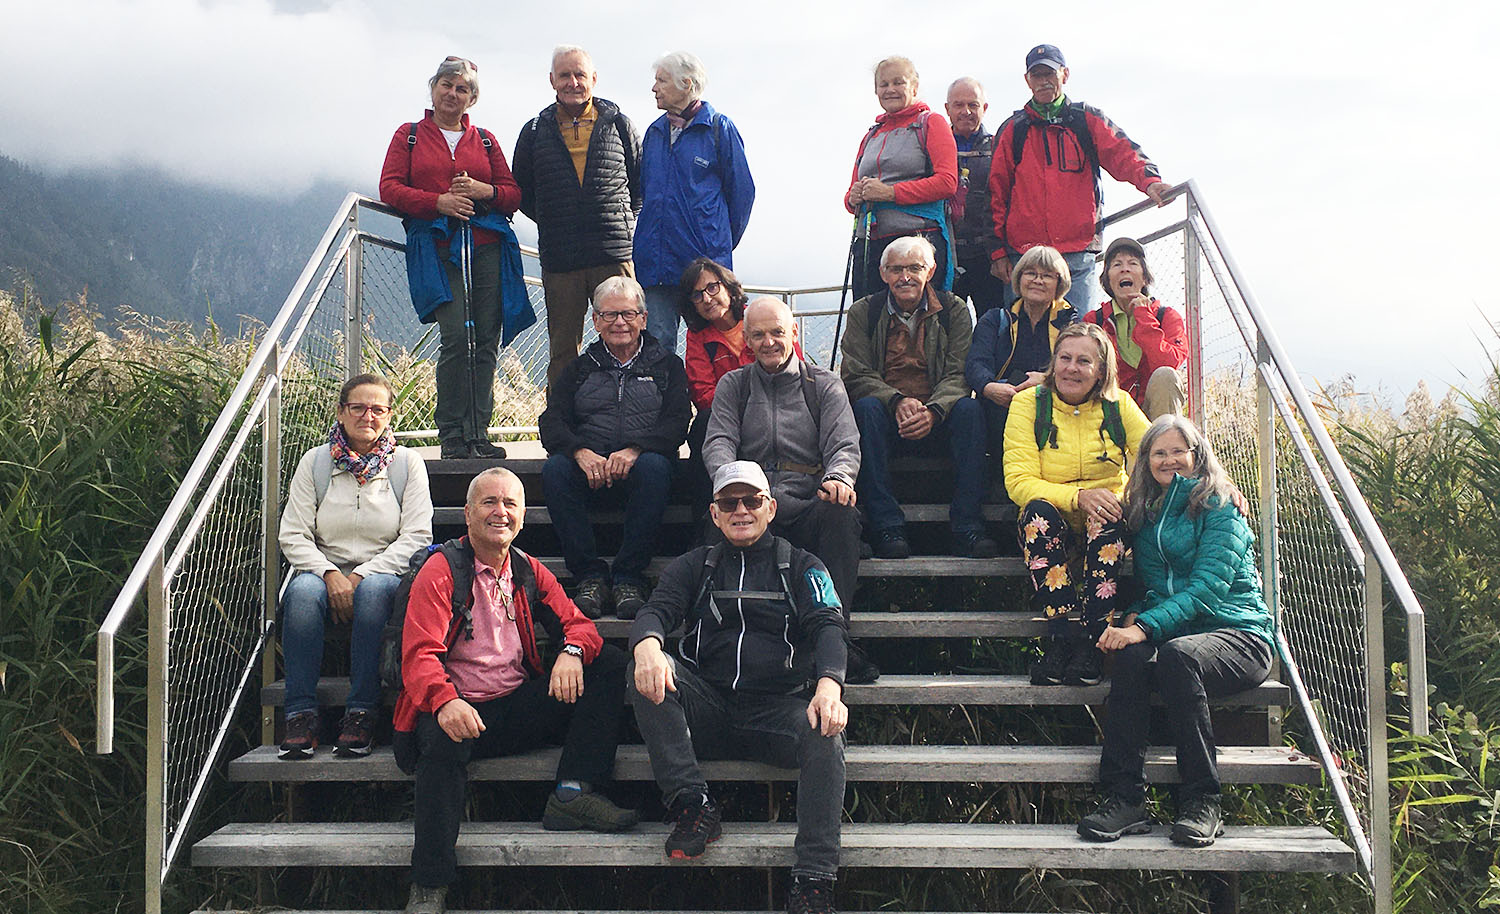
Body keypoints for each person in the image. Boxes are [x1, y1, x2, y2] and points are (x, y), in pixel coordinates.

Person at [396, 467, 637, 914]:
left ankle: (573, 791)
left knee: (609, 664)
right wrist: (446, 700)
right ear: (467, 514)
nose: (500, 512)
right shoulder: (442, 569)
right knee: (440, 748)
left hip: (512, 708)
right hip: (454, 711)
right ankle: (430, 883)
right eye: (489, 502)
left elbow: (580, 626)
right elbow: (418, 655)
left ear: (523, 516)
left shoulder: (527, 570)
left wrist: (570, 649)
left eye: (510, 504)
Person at [630, 461, 849, 914]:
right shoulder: (696, 564)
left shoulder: (803, 565)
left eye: (752, 501)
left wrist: (830, 686)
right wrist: (648, 646)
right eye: (730, 503)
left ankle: (814, 878)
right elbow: (655, 611)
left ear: (771, 508)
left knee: (826, 733)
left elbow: (830, 626)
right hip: (706, 705)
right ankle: (693, 804)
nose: (741, 510)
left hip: (778, 711)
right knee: (642, 669)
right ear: (714, 514)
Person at [1077, 415, 1274, 848]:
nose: (1169, 460)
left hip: (1239, 635)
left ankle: (1202, 801)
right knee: (1131, 657)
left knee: (1176, 655)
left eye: (1177, 451)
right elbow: (1156, 589)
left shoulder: (1221, 506)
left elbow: (1207, 590)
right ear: (1146, 461)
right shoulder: (1146, 517)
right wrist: (1133, 618)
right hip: (1178, 635)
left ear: (1196, 455)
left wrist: (1145, 626)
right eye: (1158, 452)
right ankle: (1124, 798)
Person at [703, 297, 879, 684]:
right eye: (759, 335)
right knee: (716, 517)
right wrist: (735, 486)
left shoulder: (824, 384)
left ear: (794, 332)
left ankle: (835, 636)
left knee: (841, 515)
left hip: (808, 498)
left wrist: (840, 478)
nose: (769, 342)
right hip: (753, 500)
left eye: (777, 332)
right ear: (746, 339)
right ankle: (718, 634)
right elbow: (718, 441)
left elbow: (844, 444)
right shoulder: (734, 384)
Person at [276, 373, 433, 759]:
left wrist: (361, 575)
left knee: (376, 593)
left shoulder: (407, 465)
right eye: (358, 407)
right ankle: (300, 715)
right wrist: (330, 573)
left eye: (378, 408)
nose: (368, 416)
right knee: (299, 595)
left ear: (389, 415)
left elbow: (416, 536)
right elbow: (293, 534)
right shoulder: (314, 463)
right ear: (341, 412)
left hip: (381, 572)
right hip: (321, 570)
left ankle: (362, 712)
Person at [379, 56, 528, 460]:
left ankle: (479, 432)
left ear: (472, 98)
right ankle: (452, 435)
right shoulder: (408, 135)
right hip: (437, 249)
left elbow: (512, 193)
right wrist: (437, 202)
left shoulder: (485, 140)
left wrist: (484, 191)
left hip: (487, 248)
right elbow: (389, 188)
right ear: (433, 89)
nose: (452, 93)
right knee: (456, 337)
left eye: (462, 88)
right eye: (446, 84)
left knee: (485, 341)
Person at [1003, 322, 1149, 687]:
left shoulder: (1119, 406)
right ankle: (1060, 637)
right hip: (1053, 524)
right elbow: (1018, 482)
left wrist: (1218, 486)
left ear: (1101, 370)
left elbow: (1157, 454)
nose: (1071, 367)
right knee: (1037, 513)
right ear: (1053, 363)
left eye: (1084, 361)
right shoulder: (1028, 404)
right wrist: (1077, 497)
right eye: (1064, 358)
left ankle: (1093, 643)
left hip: (1105, 526)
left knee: (1109, 515)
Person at [538, 276, 691, 620]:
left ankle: (628, 578)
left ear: (643, 318)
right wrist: (579, 452)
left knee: (654, 467)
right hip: (589, 471)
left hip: (644, 474)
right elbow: (551, 421)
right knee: (555, 471)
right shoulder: (578, 369)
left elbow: (677, 422)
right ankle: (589, 577)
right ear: (595, 321)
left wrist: (636, 450)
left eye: (627, 314)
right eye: (609, 315)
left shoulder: (668, 366)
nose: (619, 322)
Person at [841, 235, 996, 560]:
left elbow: (960, 371)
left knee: (970, 410)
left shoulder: (953, 310)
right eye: (896, 269)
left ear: (931, 270)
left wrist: (934, 411)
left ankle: (967, 526)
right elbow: (855, 372)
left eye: (914, 268)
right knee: (865, 408)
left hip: (939, 419)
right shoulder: (863, 312)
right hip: (886, 419)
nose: (905, 277)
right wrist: (896, 401)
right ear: (883, 274)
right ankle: (887, 527)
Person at [988, 44, 1171, 315]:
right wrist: (997, 252)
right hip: (1024, 258)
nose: (1044, 81)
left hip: (1076, 255)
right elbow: (995, 193)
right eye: (1037, 75)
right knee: (1021, 340)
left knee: (1078, 337)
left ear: (1065, 74)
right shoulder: (1013, 129)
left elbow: (1123, 153)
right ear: (1028, 80)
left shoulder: (1086, 120)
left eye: (1050, 73)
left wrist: (1150, 182)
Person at [513, 45, 643, 386]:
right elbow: (522, 190)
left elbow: (641, 183)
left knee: (626, 339)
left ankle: (628, 421)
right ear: (552, 80)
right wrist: (557, 219)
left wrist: (623, 221)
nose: (573, 82)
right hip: (561, 257)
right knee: (563, 349)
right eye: (565, 75)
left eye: (580, 75)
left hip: (613, 252)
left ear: (594, 79)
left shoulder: (619, 124)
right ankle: (562, 432)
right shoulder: (534, 131)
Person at [636, 52, 756, 354]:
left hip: (704, 269)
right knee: (657, 349)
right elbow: (645, 192)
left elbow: (742, 194)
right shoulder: (654, 132)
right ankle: (666, 404)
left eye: (661, 80)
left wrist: (719, 244)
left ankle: (715, 403)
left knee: (713, 347)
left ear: (686, 83)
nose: (654, 88)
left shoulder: (719, 129)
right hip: (657, 266)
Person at [681, 259, 804, 508]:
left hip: (779, 407)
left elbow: (796, 367)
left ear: (728, 286)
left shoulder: (761, 318)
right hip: (728, 416)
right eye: (696, 295)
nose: (706, 299)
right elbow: (702, 392)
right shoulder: (698, 337)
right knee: (703, 425)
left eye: (712, 288)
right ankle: (708, 517)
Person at [965, 245, 1081, 491]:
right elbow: (976, 362)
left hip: (1053, 404)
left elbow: (1082, 369)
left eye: (1047, 275)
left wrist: (1047, 379)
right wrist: (989, 387)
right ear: (1019, 279)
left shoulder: (1071, 324)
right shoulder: (994, 319)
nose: (1038, 280)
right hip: (1002, 406)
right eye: (1031, 273)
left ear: (1059, 283)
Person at [845, 57, 958, 301]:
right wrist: (853, 197)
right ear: (876, 91)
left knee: (921, 325)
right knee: (870, 322)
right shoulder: (871, 135)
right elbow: (850, 198)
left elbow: (947, 182)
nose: (890, 90)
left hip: (918, 242)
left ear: (914, 87)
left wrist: (890, 193)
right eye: (883, 84)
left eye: (899, 82)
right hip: (870, 247)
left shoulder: (931, 123)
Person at [1083, 237, 1188, 419]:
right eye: (1116, 265)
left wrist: (1144, 316)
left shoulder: (1167, 316)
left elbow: (1168, 363)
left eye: (1133, 263)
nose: (1125, 269)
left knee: (1166, 376)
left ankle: (1164, 444)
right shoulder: (1094, 320)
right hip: (1110, 412)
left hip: (1155, 414)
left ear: (1145, 277)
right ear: (1107, 279)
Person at [945, 77, 1007, 316]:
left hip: (989, 258)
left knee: (995, 328)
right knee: (947, 333)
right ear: (947, 109)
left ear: (985, 108)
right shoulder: (934, 148)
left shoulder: (999, 147)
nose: (966, 112)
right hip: (949, 256)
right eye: (958, 105)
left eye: (973, 105)